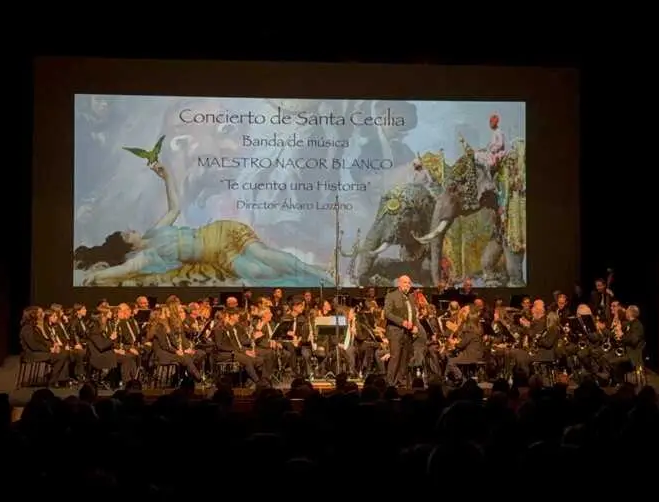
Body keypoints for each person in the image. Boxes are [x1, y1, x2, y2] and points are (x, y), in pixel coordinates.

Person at [75, 161, 331, 287]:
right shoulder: (145, 257)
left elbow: (175, 208)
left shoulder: (156, 231)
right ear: (127, 246)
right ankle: (311, 272)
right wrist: (97, 275)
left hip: (220, 234)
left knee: (263, 254)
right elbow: (122, 272)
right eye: (127, 233)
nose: (131, 229)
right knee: (259, 273)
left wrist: (167, 177)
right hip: (217, 258)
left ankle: (319, 274)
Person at [383, 275, 419, 387]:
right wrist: (402, 322)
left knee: (404, 358)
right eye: (405, 283)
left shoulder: (411, 298)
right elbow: (387, 313)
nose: (407, 285)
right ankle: (390, 384)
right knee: (395, 357)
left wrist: (415, 325)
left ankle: (401, 382)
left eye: (409, 283)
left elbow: (413, 314)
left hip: (407, 333)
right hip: (395, 332)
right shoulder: (391, 296)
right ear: (399, 283)